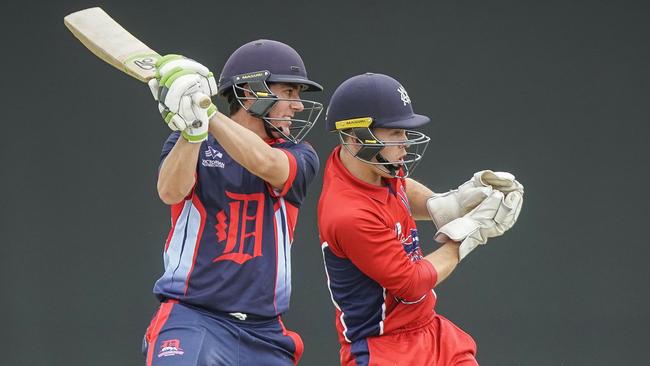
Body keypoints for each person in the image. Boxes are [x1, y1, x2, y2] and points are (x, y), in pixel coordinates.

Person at [317, 73, 524, 365]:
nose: (405, 144)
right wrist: (470, 233)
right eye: (395, 133)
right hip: (382, 350)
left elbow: (401, 187)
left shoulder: (372, 165)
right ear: (355, 137)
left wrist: (444, 204)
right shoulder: (348, 214)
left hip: (431, 331)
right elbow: (412, 283)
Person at [141, 40, 324, 366]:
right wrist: (193, 130)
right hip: (193, 317)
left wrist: (206, 111)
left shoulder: (300, 154)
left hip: (266, 332)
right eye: (289, 92)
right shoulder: (192, 140)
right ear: (251, 92)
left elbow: (267, 165)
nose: (298, 105)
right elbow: (169, 191)